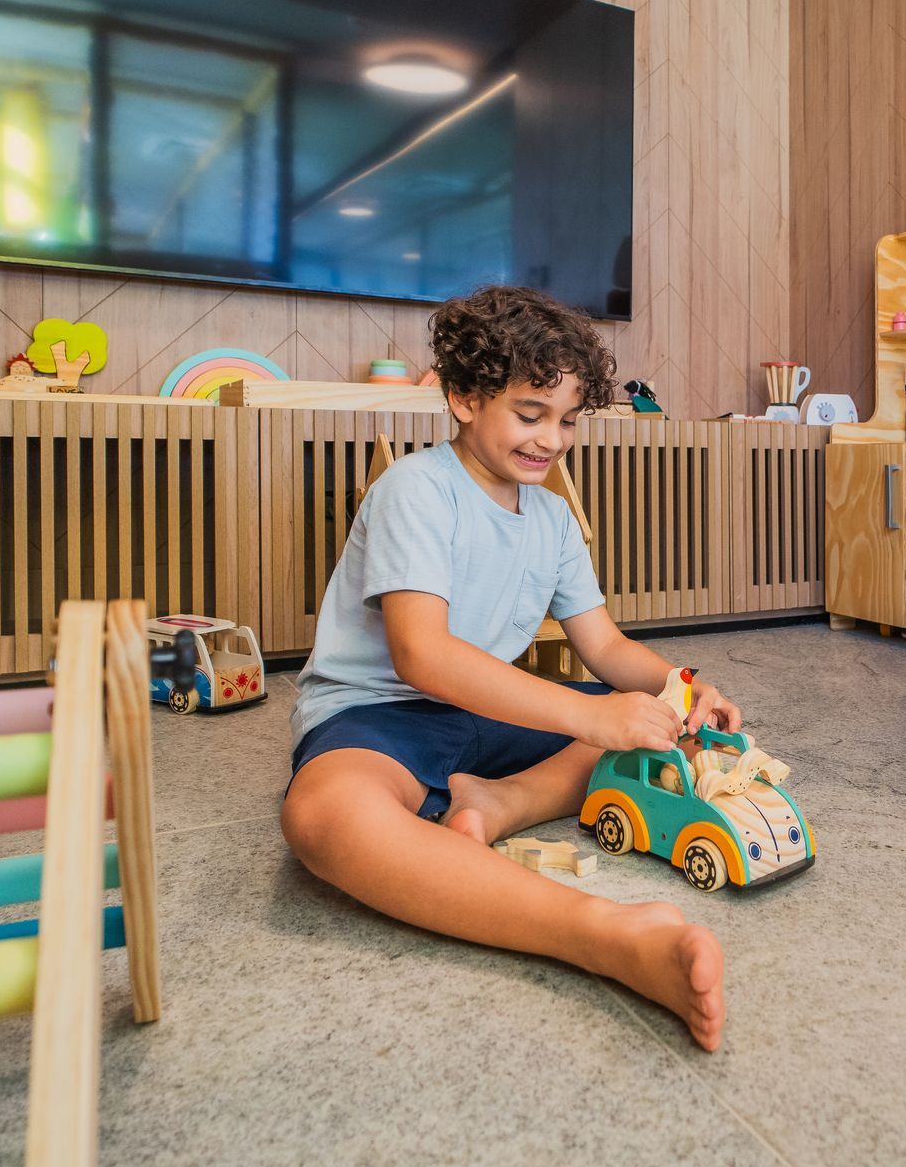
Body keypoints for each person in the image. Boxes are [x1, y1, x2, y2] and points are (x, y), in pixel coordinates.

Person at [281, 286, 734, 1050]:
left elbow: (606, 647)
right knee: (321, 816)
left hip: (486, 712)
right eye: (530, 414)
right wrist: (590, 713)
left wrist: (678, 688)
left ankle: (497, 805)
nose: (550, 441)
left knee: (652, 732)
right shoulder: (415, 491)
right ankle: (605, 936)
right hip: (374, 717)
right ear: (463, 397)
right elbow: (420, 655)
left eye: (566, 421)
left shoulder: (553, 518)